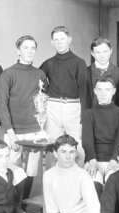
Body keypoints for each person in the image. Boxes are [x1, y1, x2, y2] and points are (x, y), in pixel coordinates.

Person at [0, 35, 47, 200]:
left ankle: (23, 205)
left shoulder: (40, 74)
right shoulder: (8, 74)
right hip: (14, 132)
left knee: (31, 171)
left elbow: (43, 101)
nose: (30, 51)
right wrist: (10, 132)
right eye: (26, 48)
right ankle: (11, 208)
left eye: (33, 48)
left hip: (34, 131)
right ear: (18, 51)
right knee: (11, 170)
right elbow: (1, 105)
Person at [39, 26, 89, 165]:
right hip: (52, 108)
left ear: (69, 40)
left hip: (73, 107)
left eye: (62, 38)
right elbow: (40, 85)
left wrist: (83, 116)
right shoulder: (48, 63)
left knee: (78, 148)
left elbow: (84, 89)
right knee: (53, 148)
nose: (59, 42)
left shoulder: (79, 62)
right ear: (52, 42)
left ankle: (77, 182)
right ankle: (54, 183)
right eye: (56, 39)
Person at [82, 77, 119, 197]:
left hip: (115, 159)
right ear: (95, 91)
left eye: (107, 90)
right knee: (93, 189)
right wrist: (92, 160)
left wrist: (114, 160)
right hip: (95, 159)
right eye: (100, 89)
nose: (103, 93)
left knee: (114, 188)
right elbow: (87, 139)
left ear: (113, 91)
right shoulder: (88, 114)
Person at [88, 37, 119, 107]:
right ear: (92, 53)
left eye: (105, 51)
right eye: (98, 52)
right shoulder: (85, 72)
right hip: (91, 115)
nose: (102, 56)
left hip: (112, 115)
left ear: (111, 51)